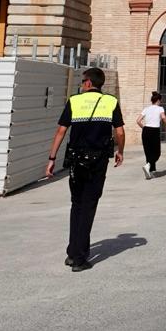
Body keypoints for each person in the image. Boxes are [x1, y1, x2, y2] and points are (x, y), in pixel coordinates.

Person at [45, 66, 125, 271]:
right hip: (97, 161)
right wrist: (120, 151)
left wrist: (52, 158)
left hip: (75, 160)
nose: (81, 85)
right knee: (89, 205)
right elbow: (120, 132)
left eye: (82, 82)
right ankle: (79, 258)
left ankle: (73, 253)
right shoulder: (111, 101)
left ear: (88, 83)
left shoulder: (74, 101)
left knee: (77, 204)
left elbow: (61, 132)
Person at [135, 90, 166, 179]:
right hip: (154, 131)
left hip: (146, 131)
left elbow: (138, 121)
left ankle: (150, 172)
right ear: (158, 100)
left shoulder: (146, 109)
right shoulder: (160, 108)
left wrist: (144, 128)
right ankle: (149, 167)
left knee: (148, 152)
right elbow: (163, 117)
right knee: (157, 152)